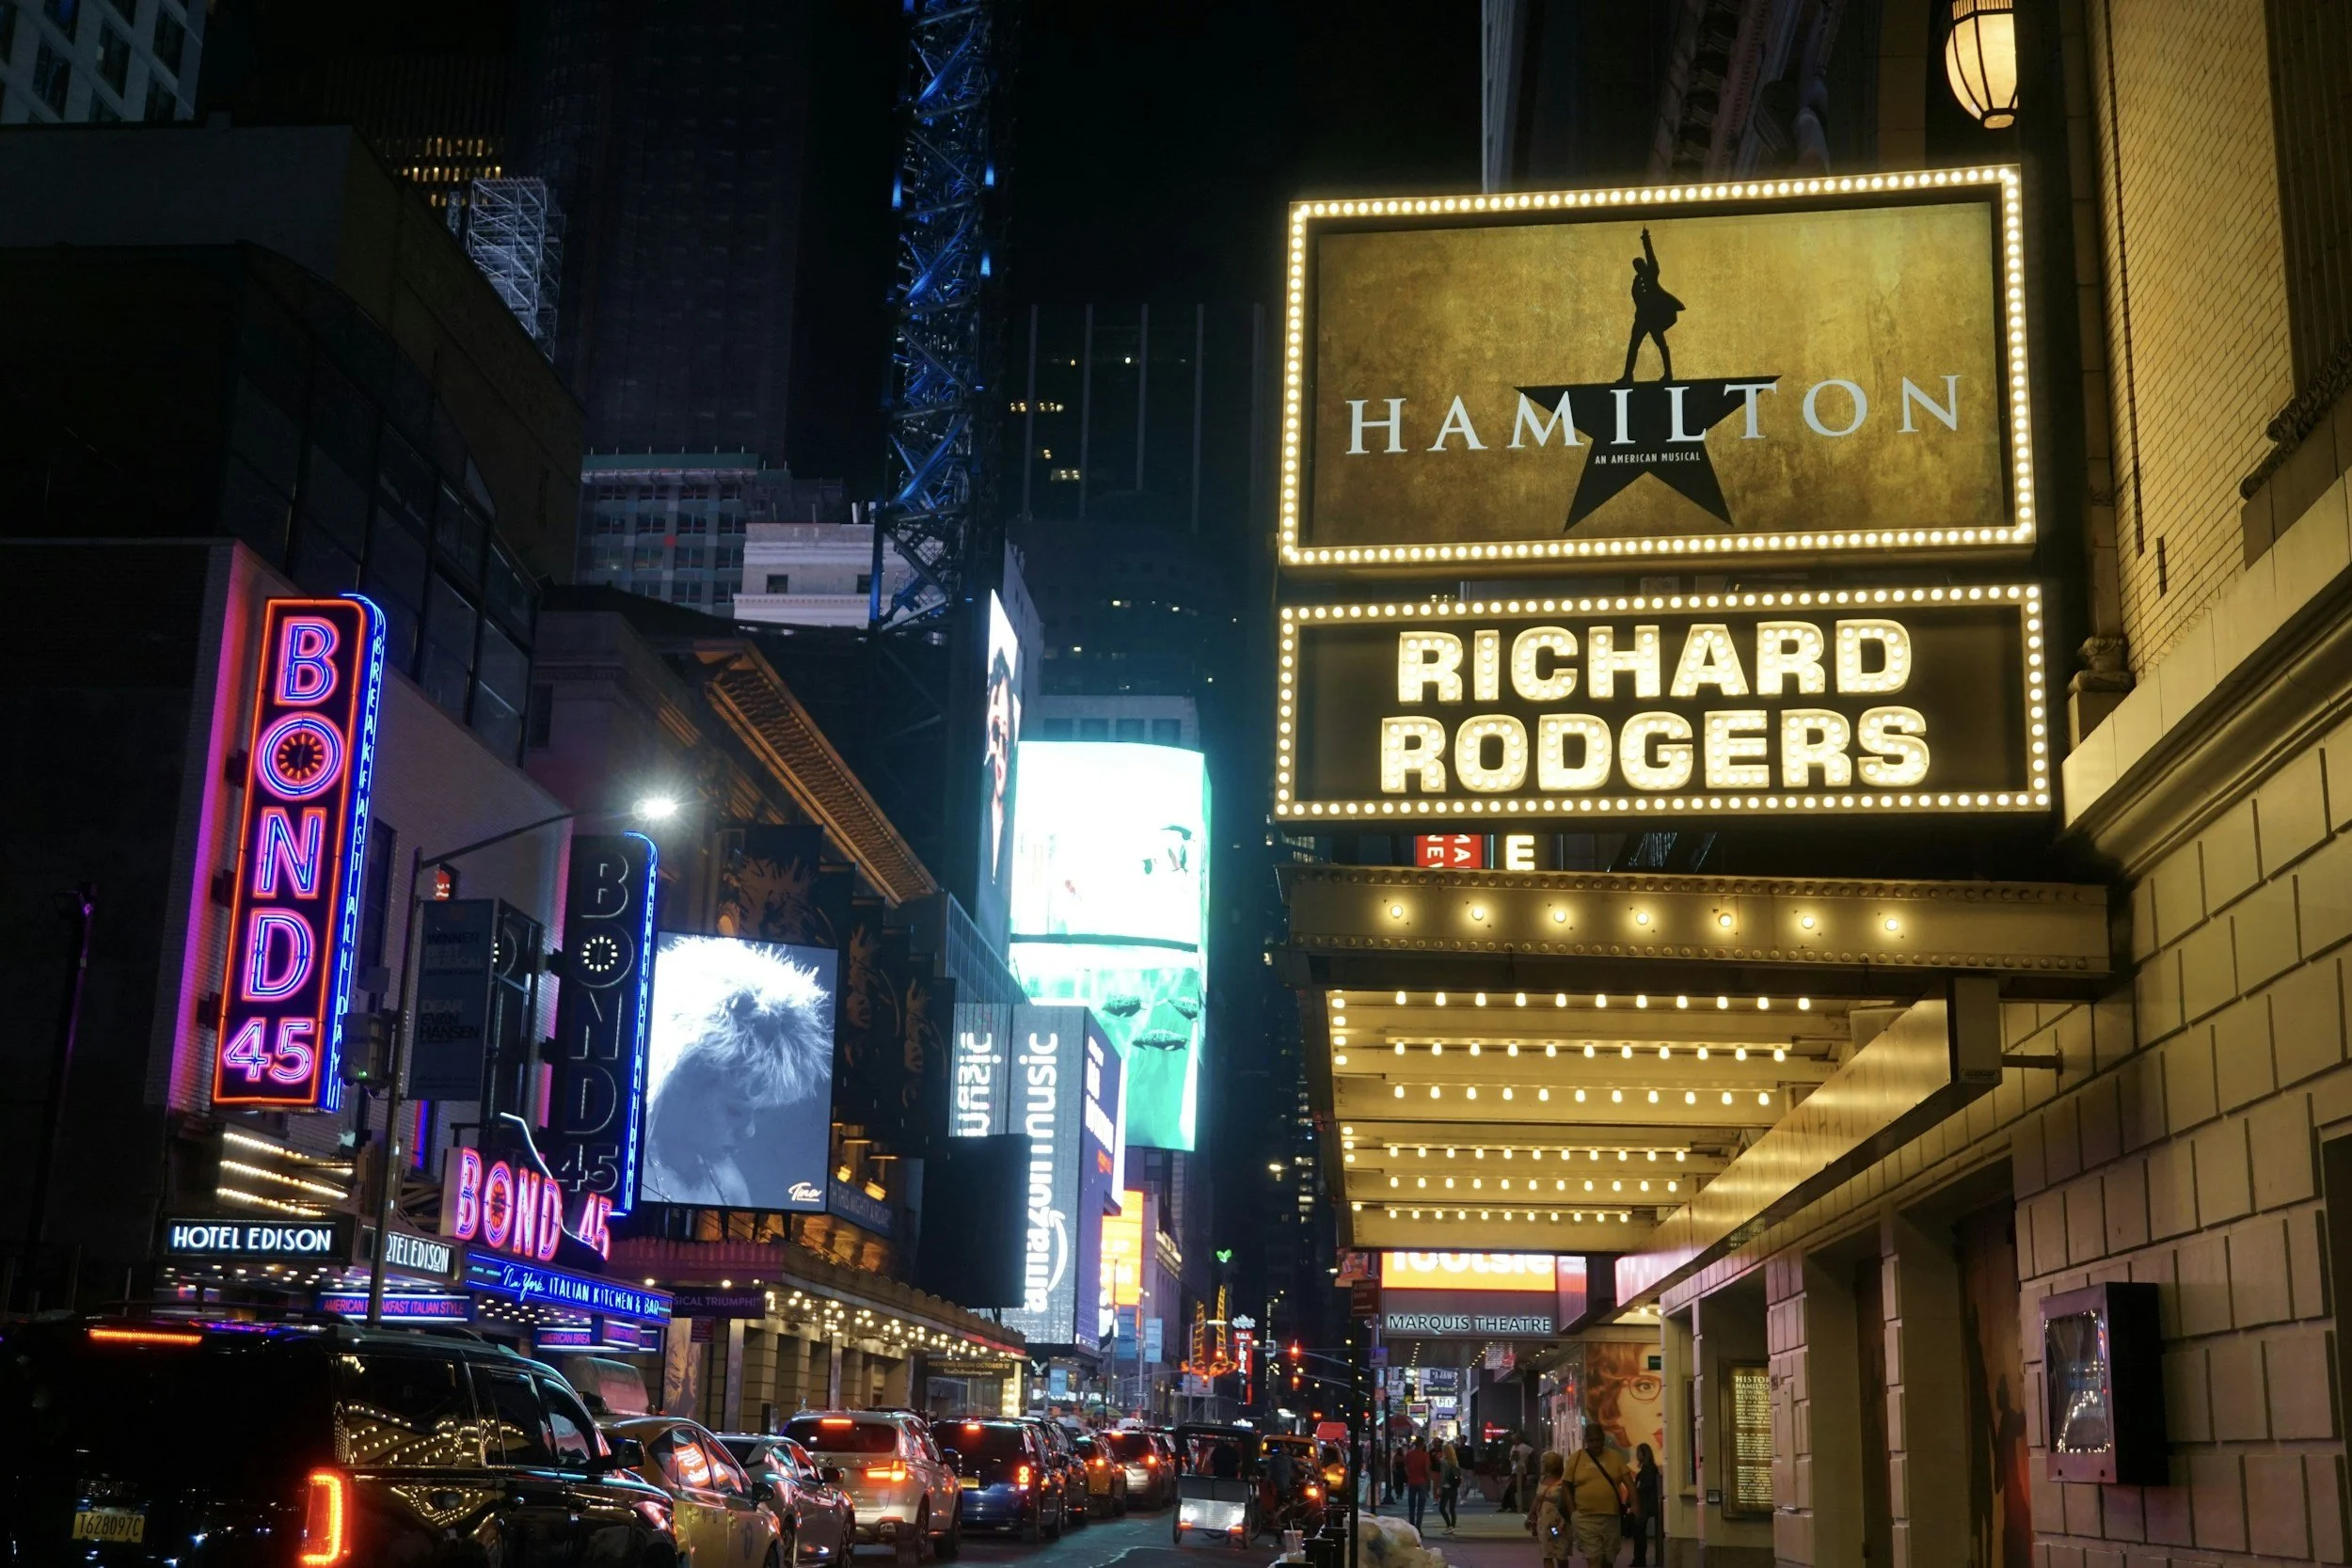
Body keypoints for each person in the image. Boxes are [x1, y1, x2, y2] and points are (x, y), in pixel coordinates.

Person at [1619, 227, 1685, 384]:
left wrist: (1646, 239)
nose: (1638, 266)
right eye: (1636, 265)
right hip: (1642, 318)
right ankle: (1628, 376)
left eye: (1640, 264)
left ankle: (1668, 373)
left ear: (1644, 265)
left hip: (1654, 318)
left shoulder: (1651, 273)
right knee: (1633, 346)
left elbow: (1651, 255)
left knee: (1661, 344)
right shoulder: (1636, 281)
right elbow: (1637, 298)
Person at [1564, 1426, 1631, 1568]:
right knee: (1594, 1559)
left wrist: (1635, 1504)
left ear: (1603, 1439)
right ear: (1586, 1441)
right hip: (1585, 1517)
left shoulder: (1615, 1457)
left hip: (1611, 1517)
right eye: (1591, 1441)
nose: (1595, 1444)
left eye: (1598, 1440)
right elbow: (1566, 1486)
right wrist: (1572, 1513)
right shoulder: (1576, 1459)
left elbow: (1629, 1483)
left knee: (1608, 1560)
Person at [1529, 1450, 1571, 1568]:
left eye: (1543, 1462)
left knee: (1561, 1554)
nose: (1541, 1464)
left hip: (1559, 1524)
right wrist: (1530, 1516)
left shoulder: (1563, 1482)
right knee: (1547, 1554)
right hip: (1544, 1523)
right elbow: (1537, 1499)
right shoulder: (1543, 1479)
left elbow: (1568, 1502)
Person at [1630, 1444, 1662, 1566]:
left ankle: (1639, 1560)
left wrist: (1636, 1491)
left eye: (1639, 1452)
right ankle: (1638, 1559)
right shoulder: (1647, 1468)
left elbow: (1644, 1487)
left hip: (1644, 1505)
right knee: (1639, 1533)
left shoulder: (1648, 1469)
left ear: (1644, 1454)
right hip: (1644, 1504)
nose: (1637, 1455)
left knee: (1639, 1534)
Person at [1401, 1435, 1431, 1532]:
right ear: (1422, 1444)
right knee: (1421, 1507)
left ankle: (1411, 1527)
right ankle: (1418, 1527)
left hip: (1412, 1481)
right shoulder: (1425, 1455)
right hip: (1422, 1481)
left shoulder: (1409, 1454)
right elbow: (1426, 1469)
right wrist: (1428, 1480)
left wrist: (1409, 1474)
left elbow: (1405, 1466)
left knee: (1411, 1506)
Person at [1437, 1439, 1462, 1534]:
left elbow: (1443, 1476)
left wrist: (1440, 1488)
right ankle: (1453, 1526)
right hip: (1454, 1487)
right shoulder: (1455, 1461)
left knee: (1442, 1508)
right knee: (1452, 1508)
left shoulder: (1444, 1462)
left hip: (1446, 1486)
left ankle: (1449, 1526)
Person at [1504, 1431, 1534, 1511]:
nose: (1513, 1441)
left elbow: (1532, 1455)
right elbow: (1511, 1458)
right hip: (1514, 1470)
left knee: (1513, 1489)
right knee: (1510, 1489)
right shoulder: (1513, 1447)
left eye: (1514, 1439)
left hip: (1521, 1470)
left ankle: (1512, 1506)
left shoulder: (1524, 1447)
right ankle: (1510, 1505)